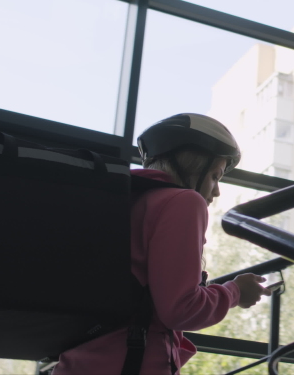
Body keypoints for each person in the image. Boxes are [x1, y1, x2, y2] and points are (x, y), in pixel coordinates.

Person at [53, 113, 272, 374]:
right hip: (132, 364)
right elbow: (182, 309)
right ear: (193, 166)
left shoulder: (127, 199)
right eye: (215, 176)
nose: (216, 191)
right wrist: (236, 291)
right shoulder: (183, 202)